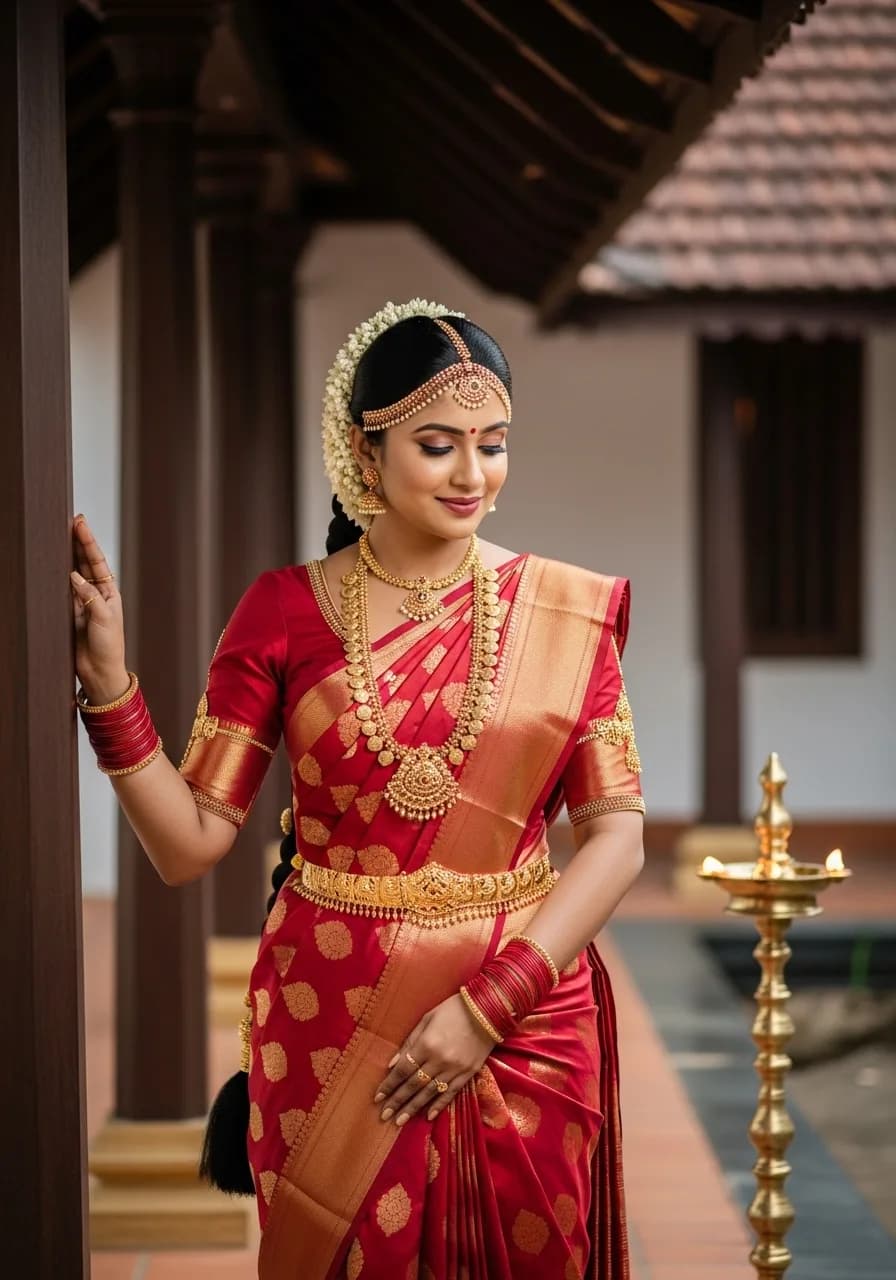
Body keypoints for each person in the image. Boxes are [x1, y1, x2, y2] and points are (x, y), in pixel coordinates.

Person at [72, 299, 645, 1279]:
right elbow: (190, 842)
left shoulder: (564, 611)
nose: (473, 474)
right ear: (363, 450)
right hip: (330, 1011)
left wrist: (485, 1006)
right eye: (437, 444)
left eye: (492, 444)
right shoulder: (282, 611)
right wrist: (112, 690)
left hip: (525, 1014)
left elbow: (616, 835)